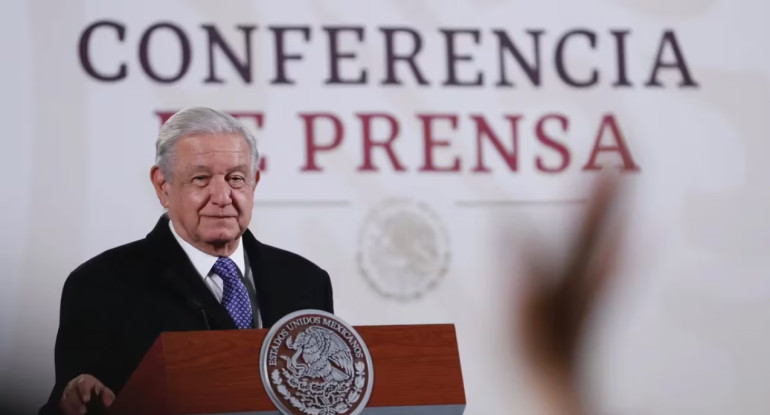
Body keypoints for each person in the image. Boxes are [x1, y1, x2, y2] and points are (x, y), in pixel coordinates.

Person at [39, 107, 334, 415]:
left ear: (254, 183)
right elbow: (71, 401)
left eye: (235, 178)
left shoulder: (307, 282)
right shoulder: (100, 285)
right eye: (201, 178)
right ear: (162, 185)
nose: (222, 196)